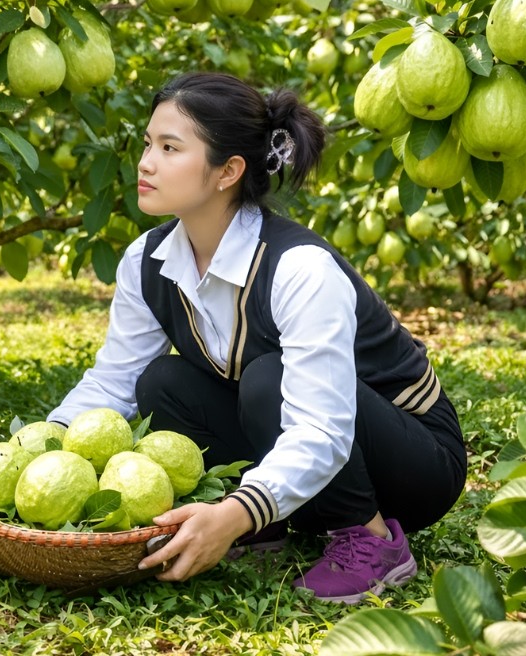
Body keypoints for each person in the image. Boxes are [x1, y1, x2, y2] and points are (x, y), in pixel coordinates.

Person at [45, 72, 467, 604]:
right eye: (148, 144)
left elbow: (324, 426)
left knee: (270, 376)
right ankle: (264, 524)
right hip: (302, 449)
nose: (146, 162)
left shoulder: (299, 268)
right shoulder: (147, 261)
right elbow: (115, 380)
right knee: (161, 381)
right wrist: (37, 444)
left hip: (413, 463)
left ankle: (371, 538)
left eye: (170, 148)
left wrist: (230, 513)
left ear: (229, 171)